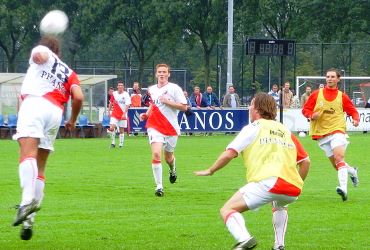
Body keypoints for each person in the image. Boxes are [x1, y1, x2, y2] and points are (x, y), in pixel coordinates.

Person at [194, 92, 310, 250]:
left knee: (228, 209)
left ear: (257, 108)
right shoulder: (285, 131)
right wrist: (298, 182)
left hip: (269, 182)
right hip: (293, 187)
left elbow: (229, 153)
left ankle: (244, 239)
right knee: (280, 205)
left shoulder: (253, 128)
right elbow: (305, 162)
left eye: (251, 104)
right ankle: (279, 245)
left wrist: (211, 170)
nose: (249, 107)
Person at [12, 35, 84, 240]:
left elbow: (39, 55)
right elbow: (78, 96)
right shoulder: (69, 72)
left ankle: (26, 203)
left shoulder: (42, 53)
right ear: (60, 52)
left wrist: (40, 54)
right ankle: (29, 221)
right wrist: (72, 120)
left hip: (35, 104)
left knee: (27, 154)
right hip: (55, 113)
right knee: (41, 166)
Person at [302, 68, 360, 201]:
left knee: (339, 159)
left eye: (333, 77)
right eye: (328, 76)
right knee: (337, 165)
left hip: (337, 131)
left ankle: (343, 189)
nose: (330, 79)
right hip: (322, 134)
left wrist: (355, 119)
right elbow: (306, 110)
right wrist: (312, 115)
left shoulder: (342, 96)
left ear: (338, 79)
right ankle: (353, 171)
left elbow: (353, 111)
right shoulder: (317, 94)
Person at [139, 63, 187, 197]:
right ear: (156, 74)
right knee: (156, 154)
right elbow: (154, 104)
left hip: (171, 127)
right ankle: (159, 186)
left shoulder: (174, 88)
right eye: (159, 72)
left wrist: (167, 102)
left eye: (164, 72)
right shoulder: (152, 89)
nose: (161, 74)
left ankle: (172, 170)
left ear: (168, 74)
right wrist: (147, 115)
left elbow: (184, 107)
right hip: (154, 126)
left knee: (169, 157)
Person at [108, 81, 131, 148]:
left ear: (123, 87)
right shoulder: (114, 94)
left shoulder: (126, 94)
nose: (120, 86)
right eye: (119, 85)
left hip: (122, 115)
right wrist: (108, 111)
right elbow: (111, 103)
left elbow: (127, 104)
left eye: (121, 85)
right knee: (112, 128)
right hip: (114, 113)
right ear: (117, 86)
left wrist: (124, 113)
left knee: (121, 130)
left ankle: (121, 144)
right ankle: (113, 143)